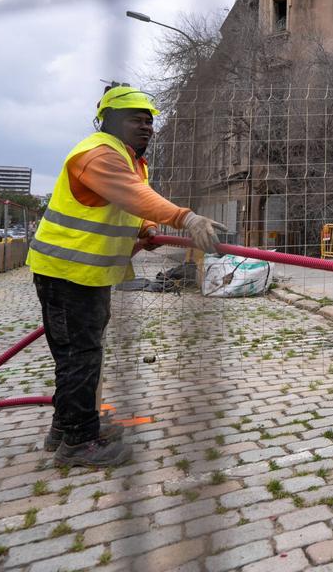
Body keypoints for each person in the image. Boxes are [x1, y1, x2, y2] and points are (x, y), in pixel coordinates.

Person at [27, 84, 226, 467]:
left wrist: (145, 228)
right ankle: (79, 443)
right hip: (68, 274)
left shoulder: (127, 159)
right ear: (111, 121)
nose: (147, 128)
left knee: (80, 354)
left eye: (150, 121)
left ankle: (67, 427)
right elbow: (133, 195)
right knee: (80, 357)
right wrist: (185, 217)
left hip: (89, 275)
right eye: (137, 120)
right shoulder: (98, 154)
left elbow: (127, 205)